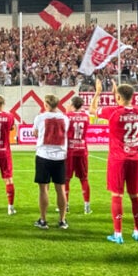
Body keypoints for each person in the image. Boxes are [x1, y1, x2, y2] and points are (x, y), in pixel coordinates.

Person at [90, 77, 138, 244]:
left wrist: (98, 92)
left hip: (118, 159)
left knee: (117, 195)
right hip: (136, 158)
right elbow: (124, 104)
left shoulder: (113, 112)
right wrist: (117, 93)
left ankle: (118, 233)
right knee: (136, 195)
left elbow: (93, 109)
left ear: (118, 98)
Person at [32, 94, 69, 230]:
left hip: (44, 156)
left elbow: (35, 133)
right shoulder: (65, 118)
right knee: (61, 189)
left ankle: (43, 220)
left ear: (46, 104)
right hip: (60, 156)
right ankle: (62, 220)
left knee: (43, 190)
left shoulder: (40, 118)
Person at [63, 95, 92, 215]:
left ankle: (66, 206)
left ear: (73, 104)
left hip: (70, 150)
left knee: (66, 179)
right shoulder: (86, 117)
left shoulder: (67, 116)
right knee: (84, 179)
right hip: (82, 149)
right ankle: (87, 207)